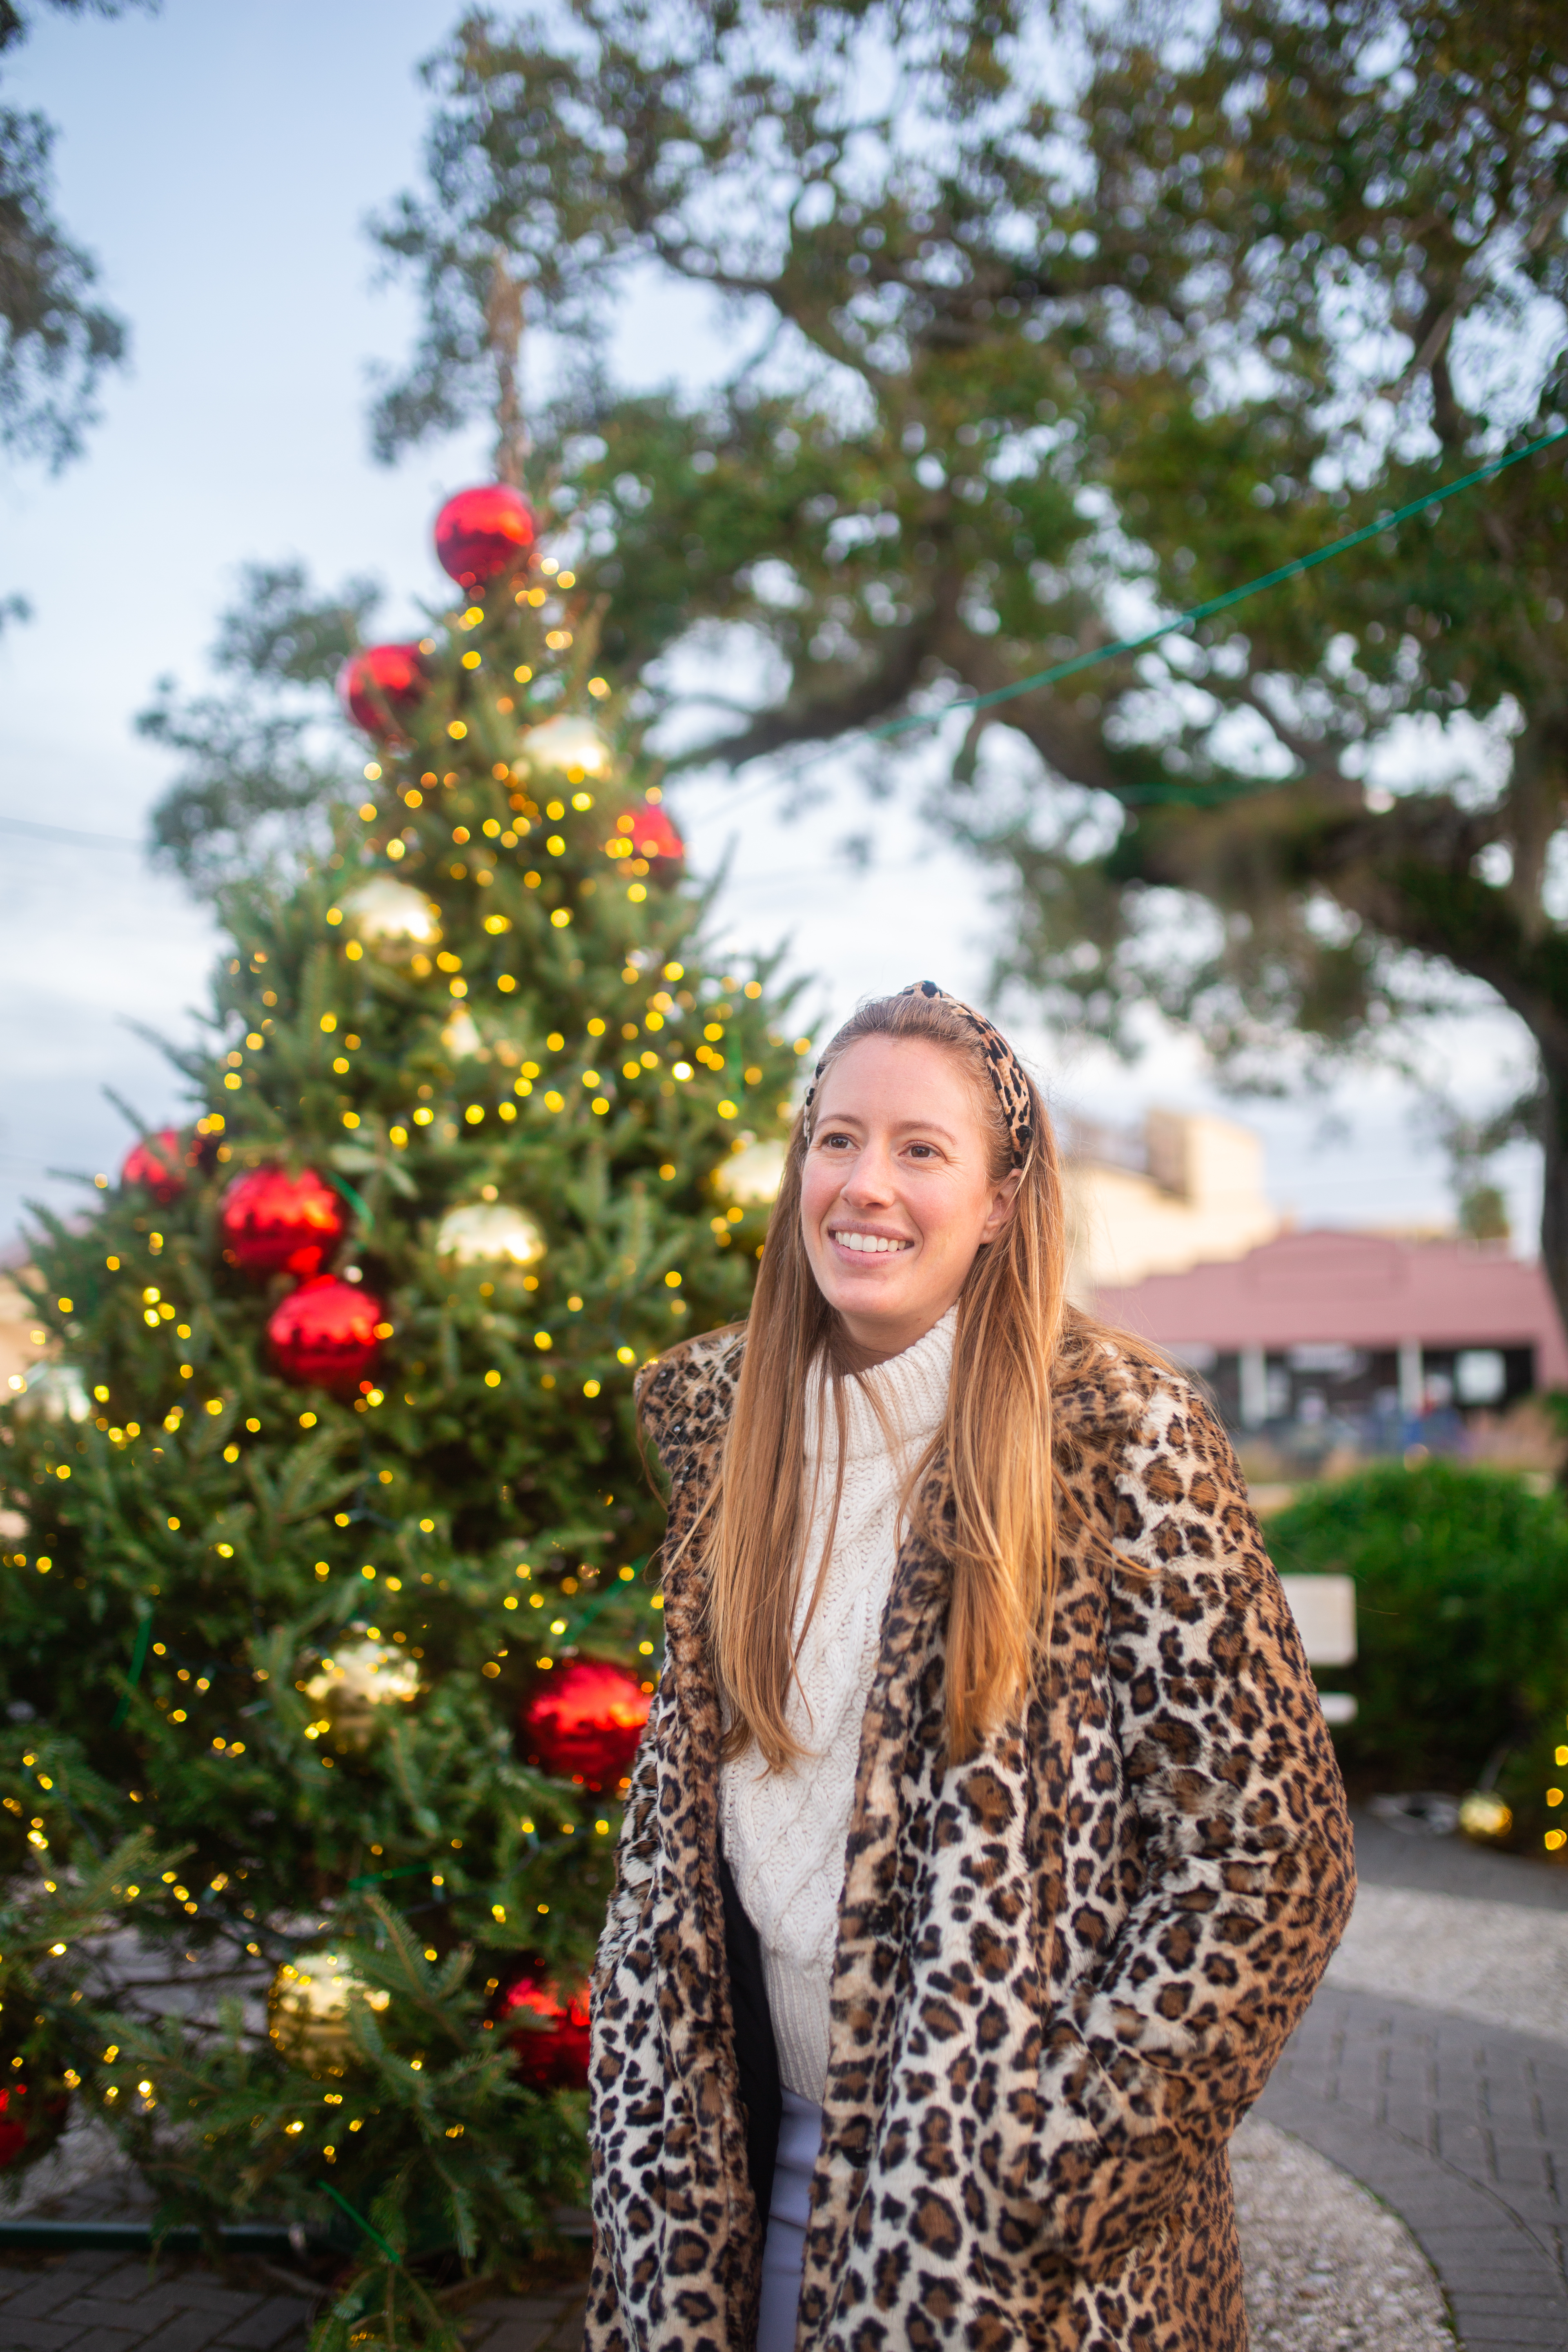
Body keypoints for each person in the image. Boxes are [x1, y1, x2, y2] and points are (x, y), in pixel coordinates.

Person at [586, 983, 1354, 2352]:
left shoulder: (1116, 1438)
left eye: (921, 1150)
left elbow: (1270, 1857)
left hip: (1013, 2242)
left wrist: (1049, 2172)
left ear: (1001, 1200)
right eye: (837, 1140)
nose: (864, 1185)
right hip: (742, 2175)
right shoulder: (725, 1437)